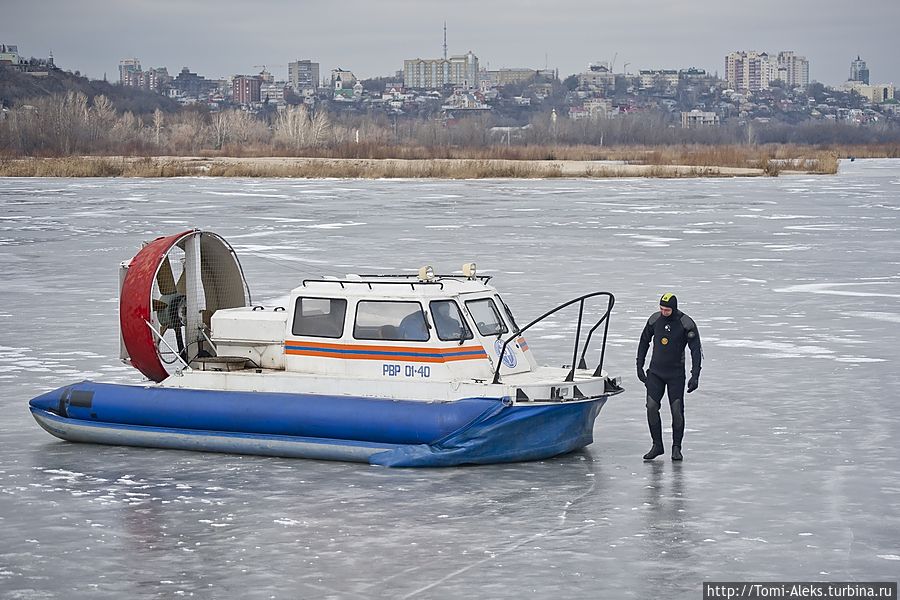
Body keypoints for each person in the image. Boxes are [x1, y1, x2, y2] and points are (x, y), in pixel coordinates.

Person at [636, 293, 702, 461]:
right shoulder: (654, 320)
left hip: (675, 375)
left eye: (667, 309)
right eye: (661, 309)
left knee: (676, 411)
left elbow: (695, 350)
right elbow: (644, 342)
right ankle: (657, 445)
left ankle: (676, 448)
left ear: (674, 308)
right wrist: (639, 366)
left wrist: (695, 375)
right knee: (651, 407)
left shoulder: (685, 323)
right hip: (656, 373)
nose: (663, 312)